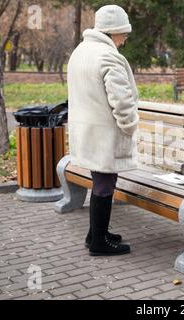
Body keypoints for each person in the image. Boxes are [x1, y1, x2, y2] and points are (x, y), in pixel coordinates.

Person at [67, 5, 139, 256]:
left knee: (102, 180)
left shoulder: (81, 51)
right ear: (113, 31)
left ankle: (96, 234)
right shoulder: (108, 56)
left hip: (87, 131)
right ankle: (99, 242)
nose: (125, 39)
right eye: (124, 33)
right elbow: (121, 101)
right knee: (105, 183)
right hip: (103, 133)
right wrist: (129, 126)